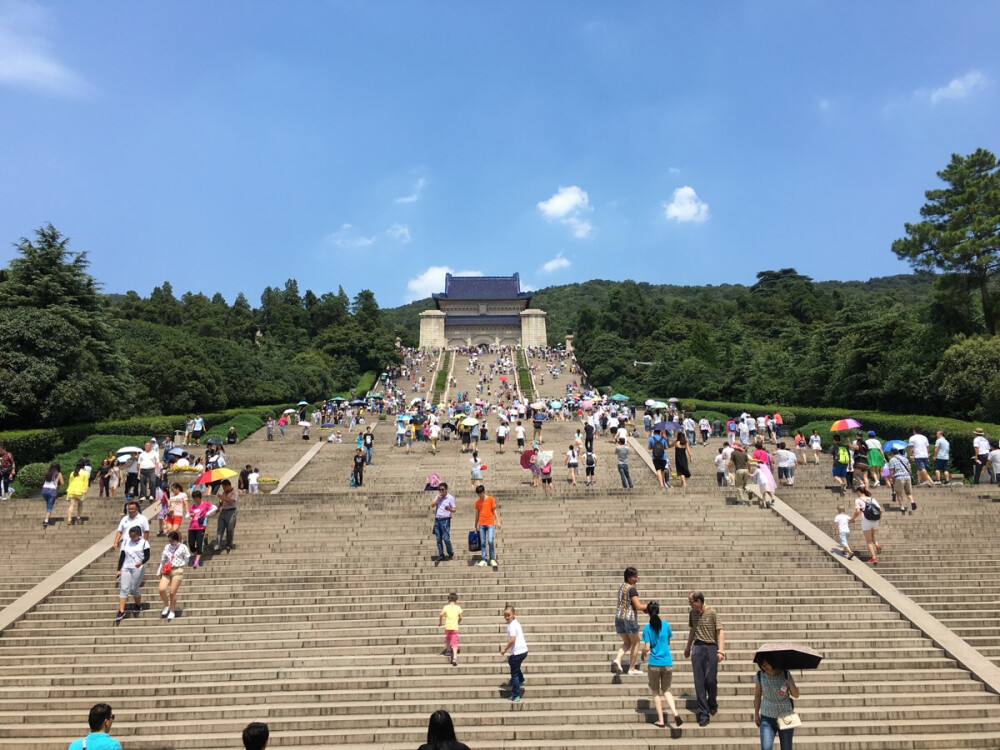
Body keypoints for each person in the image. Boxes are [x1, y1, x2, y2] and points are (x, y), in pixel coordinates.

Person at [684, 590, 726, 727]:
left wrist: (721, 650)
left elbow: (720, 631)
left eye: (691, 602)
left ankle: (712, 702)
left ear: (699, 602)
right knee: (699, 681)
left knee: (710, 680)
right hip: (697, 648)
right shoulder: (692, 614)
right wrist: (688, 647)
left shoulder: (712, 613)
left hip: (711, 647)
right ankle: (703, 713)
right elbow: (692, 630)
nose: (690, 604)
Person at [642, 601, 683, 728]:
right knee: (667, 691)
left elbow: (648, 647)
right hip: (667, 662)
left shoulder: (647, 628)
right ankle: (675, 713)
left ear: (647, 612)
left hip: (654, 663)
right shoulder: (665, 625)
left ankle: (661, 720)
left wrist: (643, 652)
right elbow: (668, 642)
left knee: (655, 692)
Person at [754, 657, 800, 750]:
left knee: (786, 747)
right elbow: (758, 695)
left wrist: (790, 684)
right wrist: (756, 714)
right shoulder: (760, 675)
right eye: (762, 665)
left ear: (773, 662)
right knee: (766, 747)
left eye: (766, 664)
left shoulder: (786, 674)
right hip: (767, 718)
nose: (764, 667)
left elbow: (796, 695)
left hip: (785, 717)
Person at [612, 566, 648, 676]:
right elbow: (638, 606)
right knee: (636, 642)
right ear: (628, 578)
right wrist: (648, 606)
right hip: (629, 618)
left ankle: (618, 660)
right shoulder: (631, 589)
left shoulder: (621, 586)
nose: (636, 579)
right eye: (634, 577)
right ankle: (632, 668)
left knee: (627, 643)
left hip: (619, 617)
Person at [115, 525, 150, 622]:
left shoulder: (144, 543)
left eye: (134, 536)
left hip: (137, 567)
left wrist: (141, 562)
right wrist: (118, 569)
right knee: (124, 588)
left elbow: (147, 556)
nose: (132, 538)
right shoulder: (126, 542)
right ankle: (121, 611)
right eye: (131, 536)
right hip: (126, 566)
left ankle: (138, 605)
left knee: (134, 588)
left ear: (138, 535)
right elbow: (122, 556)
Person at [157, 531, 190, 621]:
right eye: (170, 541)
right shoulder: (167, 547)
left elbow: (187, 557)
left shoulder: (183, 547)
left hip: (177, 570)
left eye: (172, 541)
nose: (171, 543)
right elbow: (163, 560)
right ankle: (166, 605)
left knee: (172, 592)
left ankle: (172, 610)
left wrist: (182, 565)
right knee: (161, 589)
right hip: (167, 569)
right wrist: (159, 570)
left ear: (177, 540)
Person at [500, 604, 528, 702]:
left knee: (514, 673)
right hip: (523, 650)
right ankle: (521, 679)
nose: (507, 617)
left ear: (514, 614)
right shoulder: (515, 623)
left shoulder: (512, 625)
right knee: (512, 663)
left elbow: (512, 640)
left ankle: (516, 694)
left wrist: (504, 649)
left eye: (509, 615)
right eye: (505, 616)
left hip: (518, 652)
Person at [849, 486, 882, 564]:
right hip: (875, 520)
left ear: (859, 492)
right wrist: (877, 518)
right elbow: (880, 510)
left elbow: (857, 511)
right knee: (872, 535)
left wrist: (852, 519)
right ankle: (877, 545)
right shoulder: (872, 499)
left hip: (866, 520)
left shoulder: (858, 500)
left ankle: (874, 558)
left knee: (868, 541)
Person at [473, 484, 500, 568]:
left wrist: (498, 521)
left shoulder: (491, 499)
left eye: (480, 494)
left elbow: (494, 511)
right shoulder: (478, 502)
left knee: (490, 540)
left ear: (484, 492)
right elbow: (477, 514)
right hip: (481, 524)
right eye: (478, 494)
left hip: (490, 523)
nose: (480, 496)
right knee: (483, 542)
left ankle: (492, 558)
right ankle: (484, 559)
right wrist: (475, 526)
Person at [187, 490, 216, 568]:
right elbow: (187, 515)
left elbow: (215, 507)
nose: (196, 500)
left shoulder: (205, 504)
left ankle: (197, 561)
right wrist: (191, 515)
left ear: (200, 497)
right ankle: (196, 555)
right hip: (192, 527)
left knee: (199, 544)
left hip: (200, 527)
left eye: (197, 498)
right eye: (194, 498)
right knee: (191, 545)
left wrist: (208, 513)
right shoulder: (192, 507)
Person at [430, 483, 456, 562]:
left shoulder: (450, 498)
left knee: (446, 538)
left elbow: (454, 509)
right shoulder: (438, 497)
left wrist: (449, 509)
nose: (441, 491)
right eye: (439, 490)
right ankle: (441, 555)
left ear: (446, 489)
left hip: (445, 520)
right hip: (438, 519)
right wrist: (437, 499)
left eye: (442, 490)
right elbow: (432, 505)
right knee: (438, 539)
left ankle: (450, 553)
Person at [887, 448, 915, 514]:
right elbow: (909, 469)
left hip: (899, 477)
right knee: (908, 493)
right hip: (907, 477)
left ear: (892, 453)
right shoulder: (905, 459)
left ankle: (902, 507)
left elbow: (891, 470)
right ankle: (912, 501)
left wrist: (891, 478)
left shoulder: (892, 460)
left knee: (899, 494)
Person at [438, 592, 463, 666]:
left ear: (448, 600)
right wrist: (458, 622)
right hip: (455, 627)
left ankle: (448, 650)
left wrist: (440, 622)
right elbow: (461, 617)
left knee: (448, 638)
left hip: (448, 627)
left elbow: (441, 614)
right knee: (454, 642)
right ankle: (455, 657)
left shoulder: (446, 607)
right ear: (456, 600)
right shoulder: (458, 607)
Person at [214, 478, 238, 553]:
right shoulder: (224, 493)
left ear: (228, 486)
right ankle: (218, 544)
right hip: (223, 511)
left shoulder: (235, 493)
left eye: (224, 487)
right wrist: (218, 507)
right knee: (220, 528)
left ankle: (229, 544)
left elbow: (231, 502)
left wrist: (223, 498)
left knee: (230, 529)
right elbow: (221, 502)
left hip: (231, 511)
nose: (224, 489)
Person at [65, 459, 90, 526]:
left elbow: (70, 482)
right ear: (83, 466)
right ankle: (78, 517)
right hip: (80, 490)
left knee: (71, 505)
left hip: (71, 490)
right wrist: (86, 490)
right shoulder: (85, 473)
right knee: (80, 504)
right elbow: (86, 483)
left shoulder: (73, 473)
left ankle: (69, 519)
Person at [41, 462, 64, 528]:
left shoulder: (47, 473)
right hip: (52, 490)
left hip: (44, 490)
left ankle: (48, 517)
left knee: (48, 504)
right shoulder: (58, 474)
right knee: (50, 506)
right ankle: (46, 520)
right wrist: (58, 487)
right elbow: (62, 483)